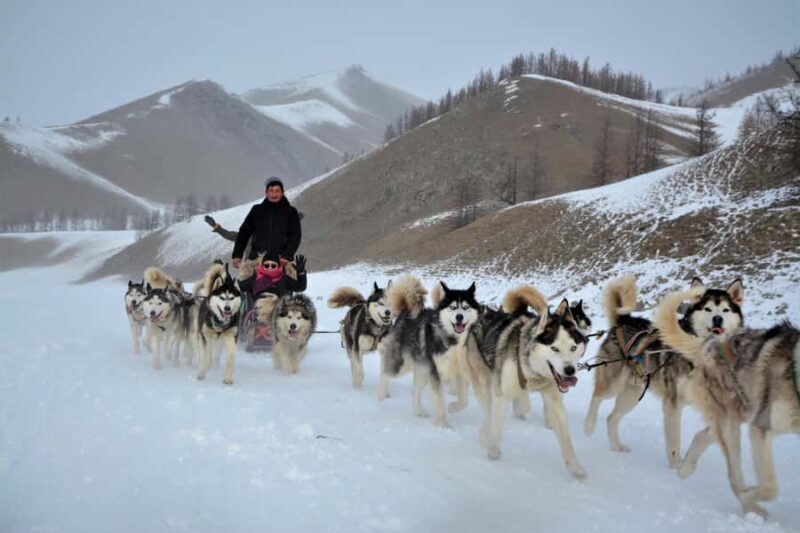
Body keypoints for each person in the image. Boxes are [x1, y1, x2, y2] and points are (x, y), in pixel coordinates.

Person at [231, 177, 301, 270]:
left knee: (291, 283)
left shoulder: (291, 212)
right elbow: (244, 232)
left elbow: (296, 235)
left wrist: (287, 255)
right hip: (257, 260)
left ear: (282, 193)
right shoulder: (257, 210)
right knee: (245, 283)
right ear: (266, 193)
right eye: (271, 191)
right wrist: (237, 254)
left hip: (282, 261)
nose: (274, 194)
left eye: (277, 191)